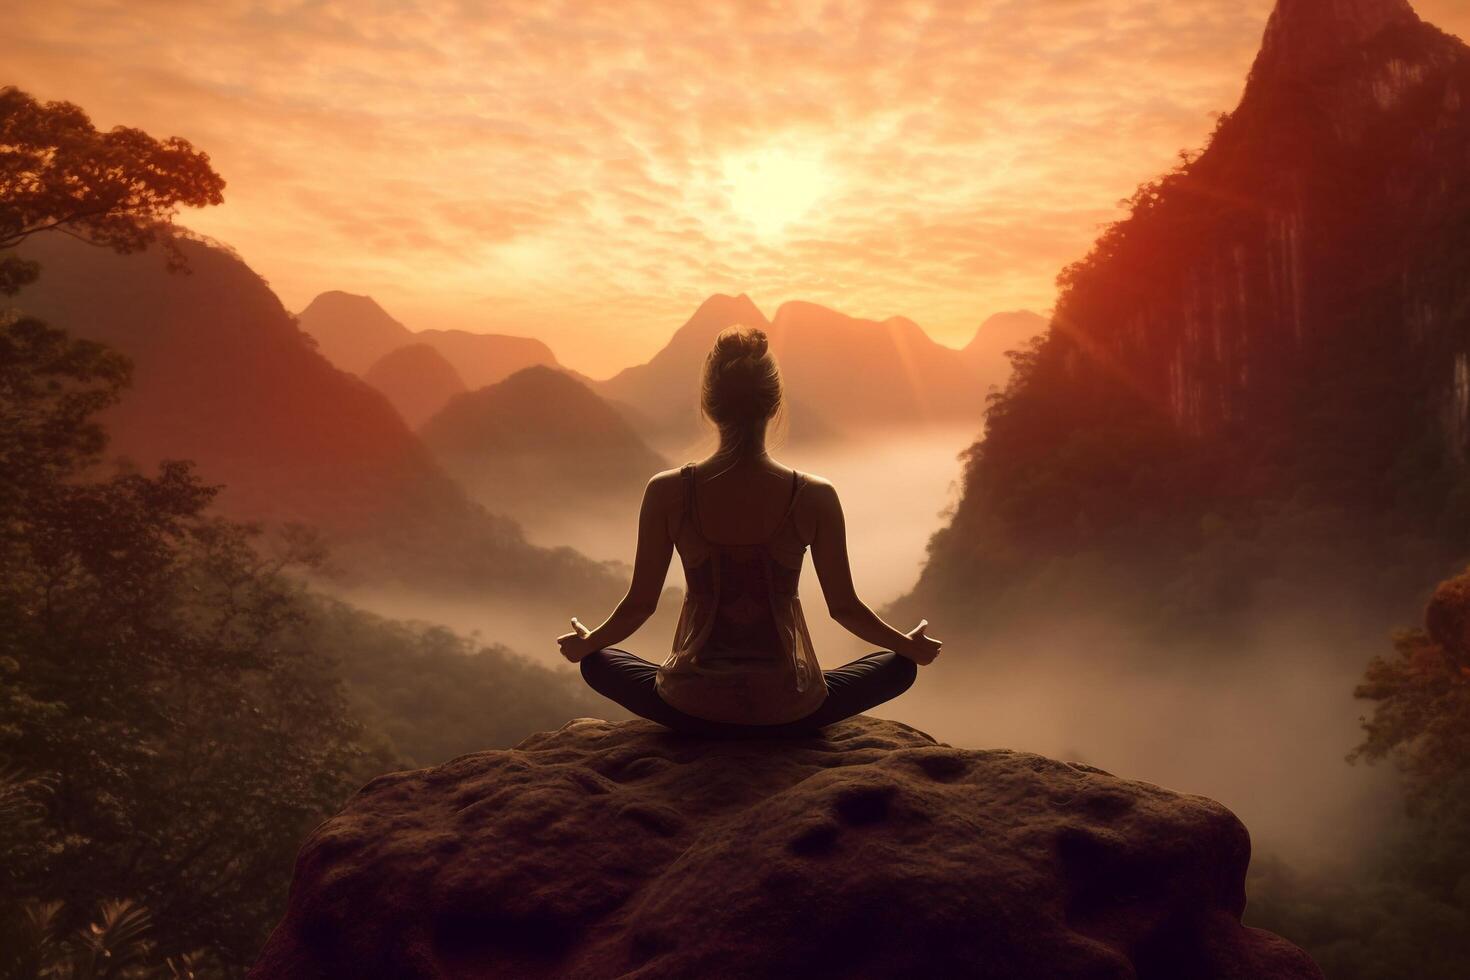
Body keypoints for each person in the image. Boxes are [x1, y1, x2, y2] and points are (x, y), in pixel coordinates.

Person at [557, 325, 942, 737]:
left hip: (692, 707)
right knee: (898, 669)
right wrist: (908, 646)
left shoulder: (668, 492)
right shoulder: (814, 496)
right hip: (789, 709)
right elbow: (844, 608)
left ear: (709, 406)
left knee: (599, 663)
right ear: (774, 406)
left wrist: (587, 643)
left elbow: (639, 605)